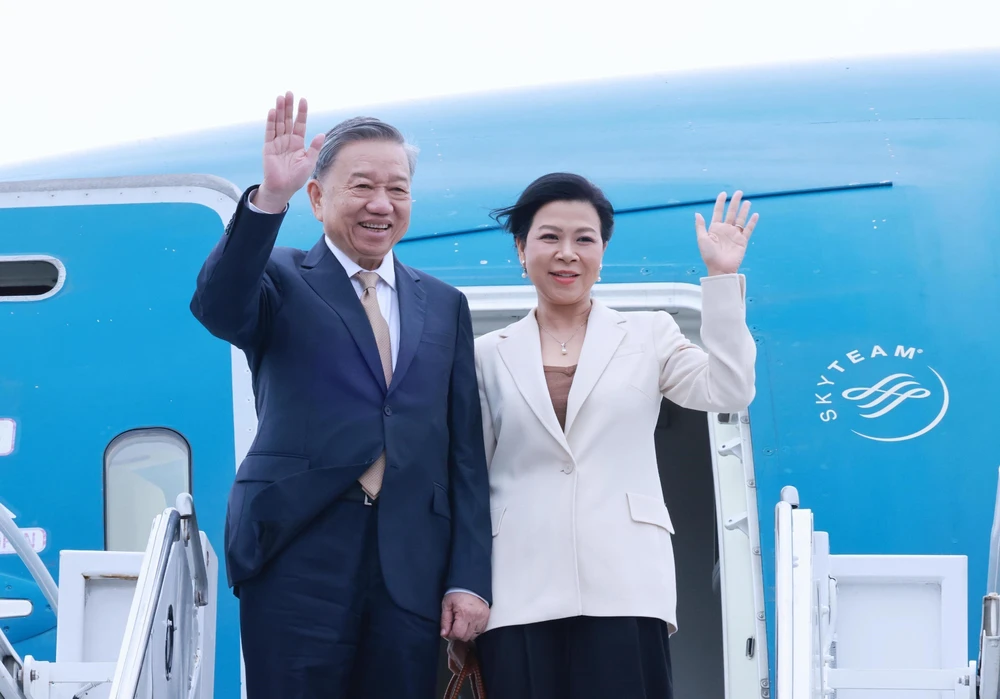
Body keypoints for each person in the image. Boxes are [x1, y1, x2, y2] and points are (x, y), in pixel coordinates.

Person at [189, 92, 492, 699]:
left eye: (397, 189)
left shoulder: (444, 304)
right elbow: (218, 307)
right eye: (362, 186)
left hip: (411, 563)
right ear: (318, 197)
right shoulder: (278, 274)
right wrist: (266, 199)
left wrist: (470, 577)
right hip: (296, 551)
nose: (381, 204)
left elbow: (463, 454)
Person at [455, 173, 758, 698]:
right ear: (521, 249)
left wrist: (722, 281)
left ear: (602, 250)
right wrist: (463, 586)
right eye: (549, 237)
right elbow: (469, 477)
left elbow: (729, 390)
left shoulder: (651, 333)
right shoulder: (486, 353)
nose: (566, 253)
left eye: (584, 239)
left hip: (626, 581)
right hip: (515, 586)